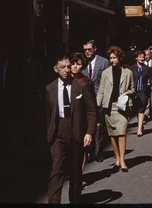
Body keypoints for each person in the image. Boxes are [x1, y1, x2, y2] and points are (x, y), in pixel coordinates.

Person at [45, 55, 97, 204]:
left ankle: (75, 199)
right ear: (56, 69)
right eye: (63, 67)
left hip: (76, 131)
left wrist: (89, 132)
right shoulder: (50, 89)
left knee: (75, 171)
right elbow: (47, 114)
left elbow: (91, 111)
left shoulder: (80, 86)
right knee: (57, 170)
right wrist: (49, 133)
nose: (67, 70)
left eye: (68, 66)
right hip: (57, 132)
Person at [96, 45, 135, 172]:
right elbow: (101, 91)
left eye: (114, 57)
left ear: (120, 57)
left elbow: (133, 89)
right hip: (109, 107)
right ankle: (117, 158)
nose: (112, 60)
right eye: (110, 58)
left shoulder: (127, 72)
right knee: (113, 135)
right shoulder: (105, 73)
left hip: (122, 107)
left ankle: (123, 160)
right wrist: (97, 108)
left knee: (122, 133)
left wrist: (127, 93)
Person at [81, 40, 109, 162]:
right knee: (86, 126)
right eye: (85, 50)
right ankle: (88, 151)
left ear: (95, 49)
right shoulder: (82, 62)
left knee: (98, 127)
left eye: (89, 49)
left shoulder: (104, 62)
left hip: (99, 98)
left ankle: (98, 151)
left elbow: (108, 81)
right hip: (85, 100)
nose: (87, 52)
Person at [70, 51, 98, 171]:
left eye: (78, 64)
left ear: (83, 66)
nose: (75, 66)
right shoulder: (65, 80)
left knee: (82, 149)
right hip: (68, 119)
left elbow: (92, 104)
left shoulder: (86, 82)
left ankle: (79, 175)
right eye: (73, 63)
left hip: (82, 120)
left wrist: (95, 122)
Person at [130, 50, 150, 137]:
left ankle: (139, 130)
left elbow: (151, 78)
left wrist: (150, 83)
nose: (142, 58)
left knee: (141, 109)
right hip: (135, 91)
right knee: (137, 109)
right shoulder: (132, 68)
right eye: (140, 57)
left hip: (143, 91)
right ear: (136, 58)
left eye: (143, 57)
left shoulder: (147, 68)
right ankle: (140, 125)